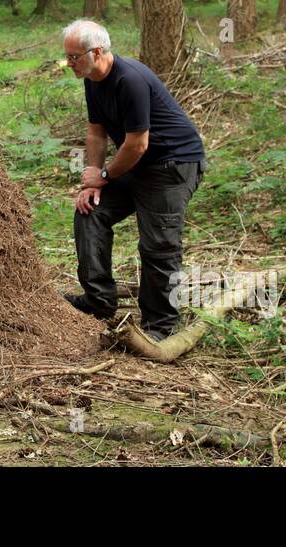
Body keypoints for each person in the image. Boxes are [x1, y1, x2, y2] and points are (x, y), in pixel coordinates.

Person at [61, 19, 206, 340]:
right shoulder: (91, 78)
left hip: (172, 165)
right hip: (136, 165)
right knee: (90, 211)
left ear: (96, 52)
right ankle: (98, 301)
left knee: (159, 244)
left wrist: (105, 174)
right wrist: (92, 183)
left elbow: (137, 143)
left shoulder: (130, 80)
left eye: (74, 57)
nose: (68, 63)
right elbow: (96, 132)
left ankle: (160, 325)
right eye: (67, 57)